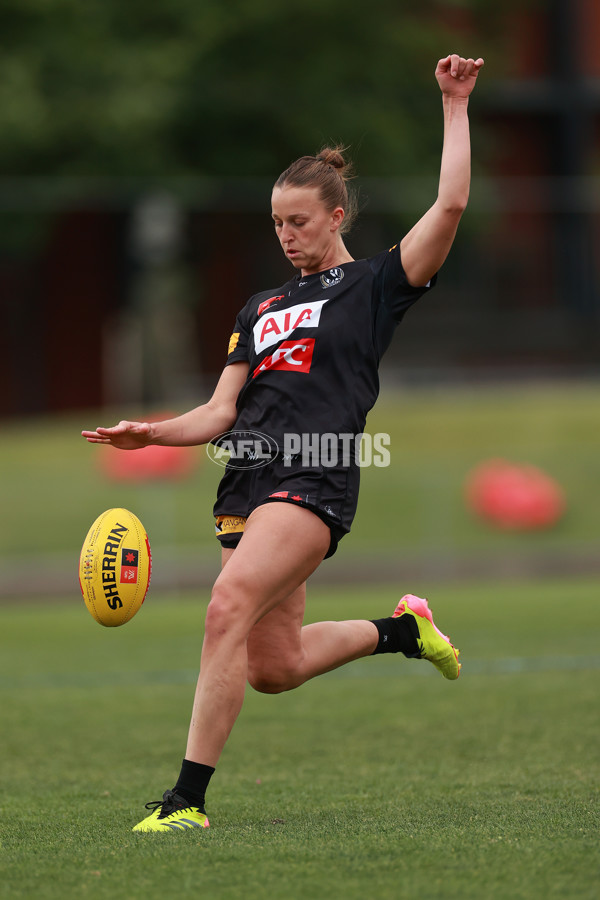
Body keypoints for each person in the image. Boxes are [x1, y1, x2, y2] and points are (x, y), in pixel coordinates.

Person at [83, 53, 484, 833]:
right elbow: (220, 410)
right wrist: (152, 433)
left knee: (225, 604)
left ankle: (186, 802)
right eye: (276, 223)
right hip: (244, 485)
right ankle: (404, 630)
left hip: (317, 476)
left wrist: (454, 103)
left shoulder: (374, 286)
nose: (287, 235)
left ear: (337, 217)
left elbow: (452, 203)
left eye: (299, 221)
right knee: (274, 666)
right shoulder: (260, 306)